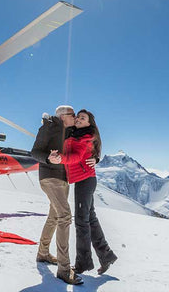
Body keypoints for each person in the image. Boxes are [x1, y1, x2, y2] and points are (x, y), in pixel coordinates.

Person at [50, 109, 117, 275]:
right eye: (78, 117)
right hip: (84, 179)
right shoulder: (75, 134)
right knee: (90, 219)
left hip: (85, 180)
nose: (79, 119)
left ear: (89, 123)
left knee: (81, 221)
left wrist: (62, 159)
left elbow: (77, 156)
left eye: (82, 117)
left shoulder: (86, 137)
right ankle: (106, 255)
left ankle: (83, 263)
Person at [31, 105, 83, 285]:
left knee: (54, 216)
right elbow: (35, 152)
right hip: (49, 177)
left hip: (63, 179)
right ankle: (63, 269)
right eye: (73, 115)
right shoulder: (49, 127)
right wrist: (48, 158)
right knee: (65, 216)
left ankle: (43, 253)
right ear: (62, 117)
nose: (75, 117)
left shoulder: (70, 132)